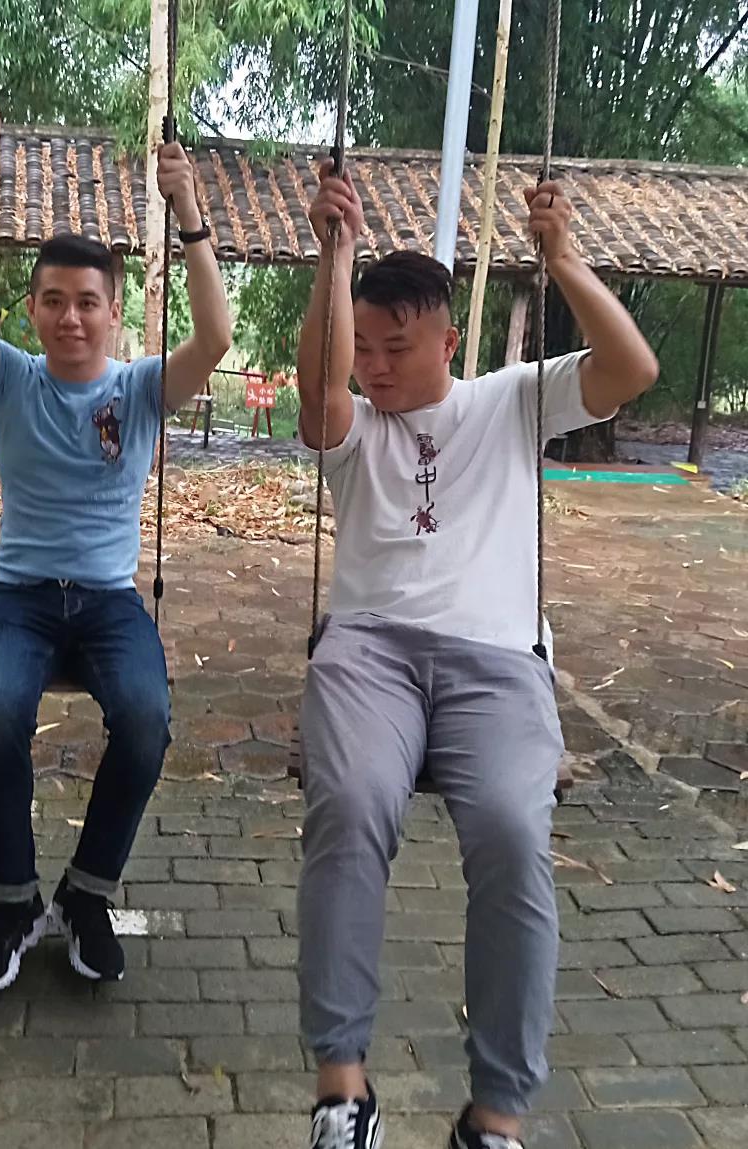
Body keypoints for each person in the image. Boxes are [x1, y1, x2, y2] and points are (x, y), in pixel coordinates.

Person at [295, 164, 658, 1149]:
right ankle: (342, 1089)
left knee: (509, 829)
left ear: (448, 342)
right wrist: (334, 255)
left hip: (496, 661)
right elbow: (320, 390)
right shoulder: (352, 428)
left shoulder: (511, 400)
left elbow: (631, 370)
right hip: (369, 653)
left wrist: (564, 259)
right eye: (365, 348)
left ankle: (495, 1114)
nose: (376, 368)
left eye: (398, 348)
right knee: (350, 804)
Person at [0, 88, 231, 993]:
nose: (70, 317)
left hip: (107, 602)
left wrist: (188, 208)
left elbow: (216, 335)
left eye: (87, 303)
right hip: (21, 599)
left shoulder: (139, 390)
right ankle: (14, 903)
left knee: (146, 721)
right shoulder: (10, 379)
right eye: (54, 301)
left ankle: (87, 893)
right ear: (30, 310)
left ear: (113, 311)